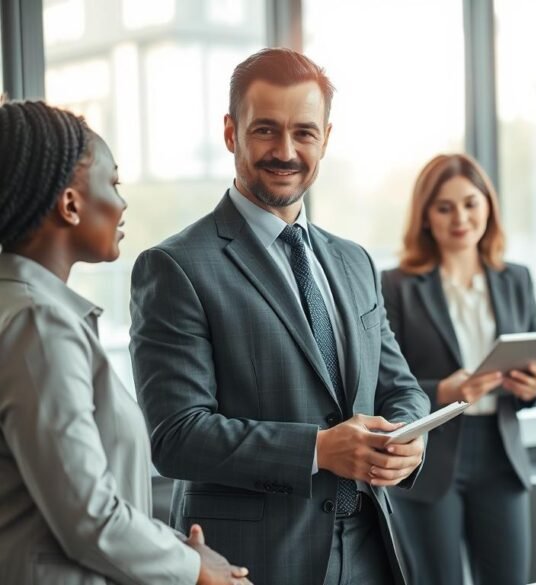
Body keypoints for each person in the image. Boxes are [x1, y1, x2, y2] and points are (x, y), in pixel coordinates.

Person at [129, 48, 430, 585]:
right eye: (265, 130)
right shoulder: (174, 267)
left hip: (371, 552)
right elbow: (176, 437)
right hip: (252, 561)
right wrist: (317, 451)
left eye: (304, 133)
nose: (286, 151)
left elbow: (398, 387)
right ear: (231, 132)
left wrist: (411, 437)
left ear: (327, 138)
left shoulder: (355, 261)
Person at [0, 101, 249, 584]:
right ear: (70, 204)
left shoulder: (28, 311)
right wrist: (196, 569)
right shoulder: (39, 324)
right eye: (112, 184)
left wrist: (176, 550)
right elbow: (87, 516)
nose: (123, 202)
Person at [381, 153, 536, 584]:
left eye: (470, 203)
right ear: (426, 217)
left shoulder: (517, 278)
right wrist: (442, 391)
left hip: (501, 455)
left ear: (488, 207)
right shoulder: (396, 285)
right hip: (430, 458)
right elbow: (381, 384)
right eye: (444, 207)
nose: (460, 217)